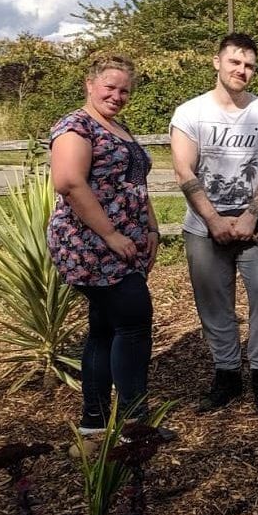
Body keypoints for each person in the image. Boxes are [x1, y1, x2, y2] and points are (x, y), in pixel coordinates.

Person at [171, 33, 258, 414]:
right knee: (214, 304)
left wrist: (252, 213)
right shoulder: (191, 113)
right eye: (235, 62)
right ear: (217, 62)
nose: (242, 70)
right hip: (205, 228)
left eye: (250, 65)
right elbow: (183, 167)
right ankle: (226, 375)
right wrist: (213, 219)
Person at [47, 54, 157, 436]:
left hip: (125, 243)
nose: (117, 95)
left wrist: (152, 231)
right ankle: (134, 424)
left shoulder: (117, 127)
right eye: (110, 87)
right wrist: (111, 235)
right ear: (89, 84)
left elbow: (135, 187)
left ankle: (93, 424)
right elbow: (69, 183)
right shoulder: (75, 127)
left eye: (124, 90)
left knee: (104, 329)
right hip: (90, 245)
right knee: (133, 325)